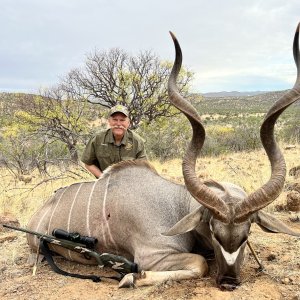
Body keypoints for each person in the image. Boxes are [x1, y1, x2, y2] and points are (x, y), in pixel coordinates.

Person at [81, 104, 147, 178]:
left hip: (129, 183)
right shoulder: (97, 139)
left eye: (122, 120)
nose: (118, 124)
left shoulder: (137, 141)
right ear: (109, 121)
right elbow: (88, 163)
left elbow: (143, 169)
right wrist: (103, 178)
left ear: (128, 123)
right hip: (105, 184)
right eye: (115, 120)